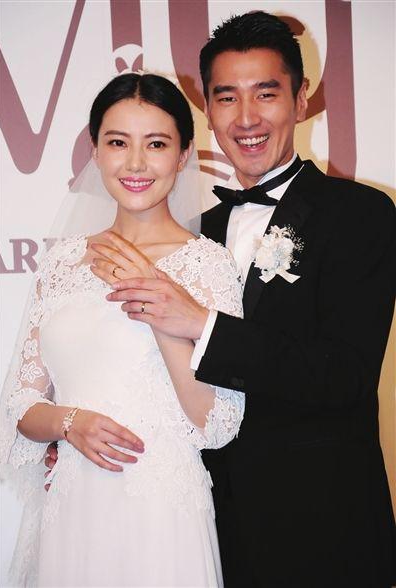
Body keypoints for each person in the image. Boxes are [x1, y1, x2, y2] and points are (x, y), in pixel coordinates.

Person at [102, 11, 396, 588]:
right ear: (208, 111)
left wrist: (203, 323)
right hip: (209, 530)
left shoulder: (361, 214)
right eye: (227, 98)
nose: (246, 118)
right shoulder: (195, 232)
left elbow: (345, 375)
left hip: (323, 529)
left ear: (301, 98)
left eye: (266, 93)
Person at [0, 72, 245, 587]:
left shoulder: (208, 264)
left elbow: (216, 423)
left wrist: (155, 300)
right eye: (117, 143)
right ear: (95, 150)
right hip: (73, 513)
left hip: (163, 516)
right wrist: (70, 422)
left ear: (182, 155)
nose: (135, 164)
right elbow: (21, 404)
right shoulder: (63, 261)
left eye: (156, 144)